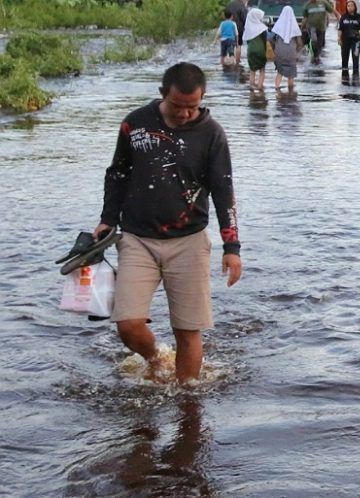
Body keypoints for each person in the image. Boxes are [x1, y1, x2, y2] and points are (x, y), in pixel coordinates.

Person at [94, 62, 242, 384]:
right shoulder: (135, 124)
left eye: (193, 106)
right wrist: (107, 220)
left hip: (189, 240)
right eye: (178, 106)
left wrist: (232, 246)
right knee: (128, 323)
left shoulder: (212, 134)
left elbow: (223, 190)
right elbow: (117, 174)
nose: (186, 114)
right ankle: (156, 357)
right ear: (163, 94)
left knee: (188, 329)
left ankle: (187, 398)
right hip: (137, 238)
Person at [269, 6, 304, 91]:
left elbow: (270, 39)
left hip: (279, 53)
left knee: (279, 73)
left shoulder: (278, 26)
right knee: (291, 75)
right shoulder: (295, 27)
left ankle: (277, 91)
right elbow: (300, 43)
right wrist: (297, 52)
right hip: (292, 54)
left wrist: (274, 48)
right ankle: (290, 93)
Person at [337, 1, 360, 73]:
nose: (350, 8)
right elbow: (340, 29)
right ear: (346, 7)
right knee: (344, 61)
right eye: (348, 6)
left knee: (356, 59)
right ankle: (344, 80)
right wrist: (339, 38)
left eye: (352, 6)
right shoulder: (343, 17)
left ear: (355, 7)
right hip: (345, 40)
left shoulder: (358, 17)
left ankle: (356, 78)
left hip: (356, 41)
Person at [243, 8, 269, 90]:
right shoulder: (262, 28)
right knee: (262, 70)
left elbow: (247, 40)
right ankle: (260, 87)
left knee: (252, 70)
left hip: (250, 50)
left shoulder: (248, 28)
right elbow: (265, 40)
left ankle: (252, 87)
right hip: (261, 50)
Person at [224, 0, 248, 64]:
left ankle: (229, 59)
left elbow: (225, 14)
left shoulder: (229, 4)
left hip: (228, 26)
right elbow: (245, 19)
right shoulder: (242, 6)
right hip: (239, 28)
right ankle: (237, 61)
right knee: (238, 45)